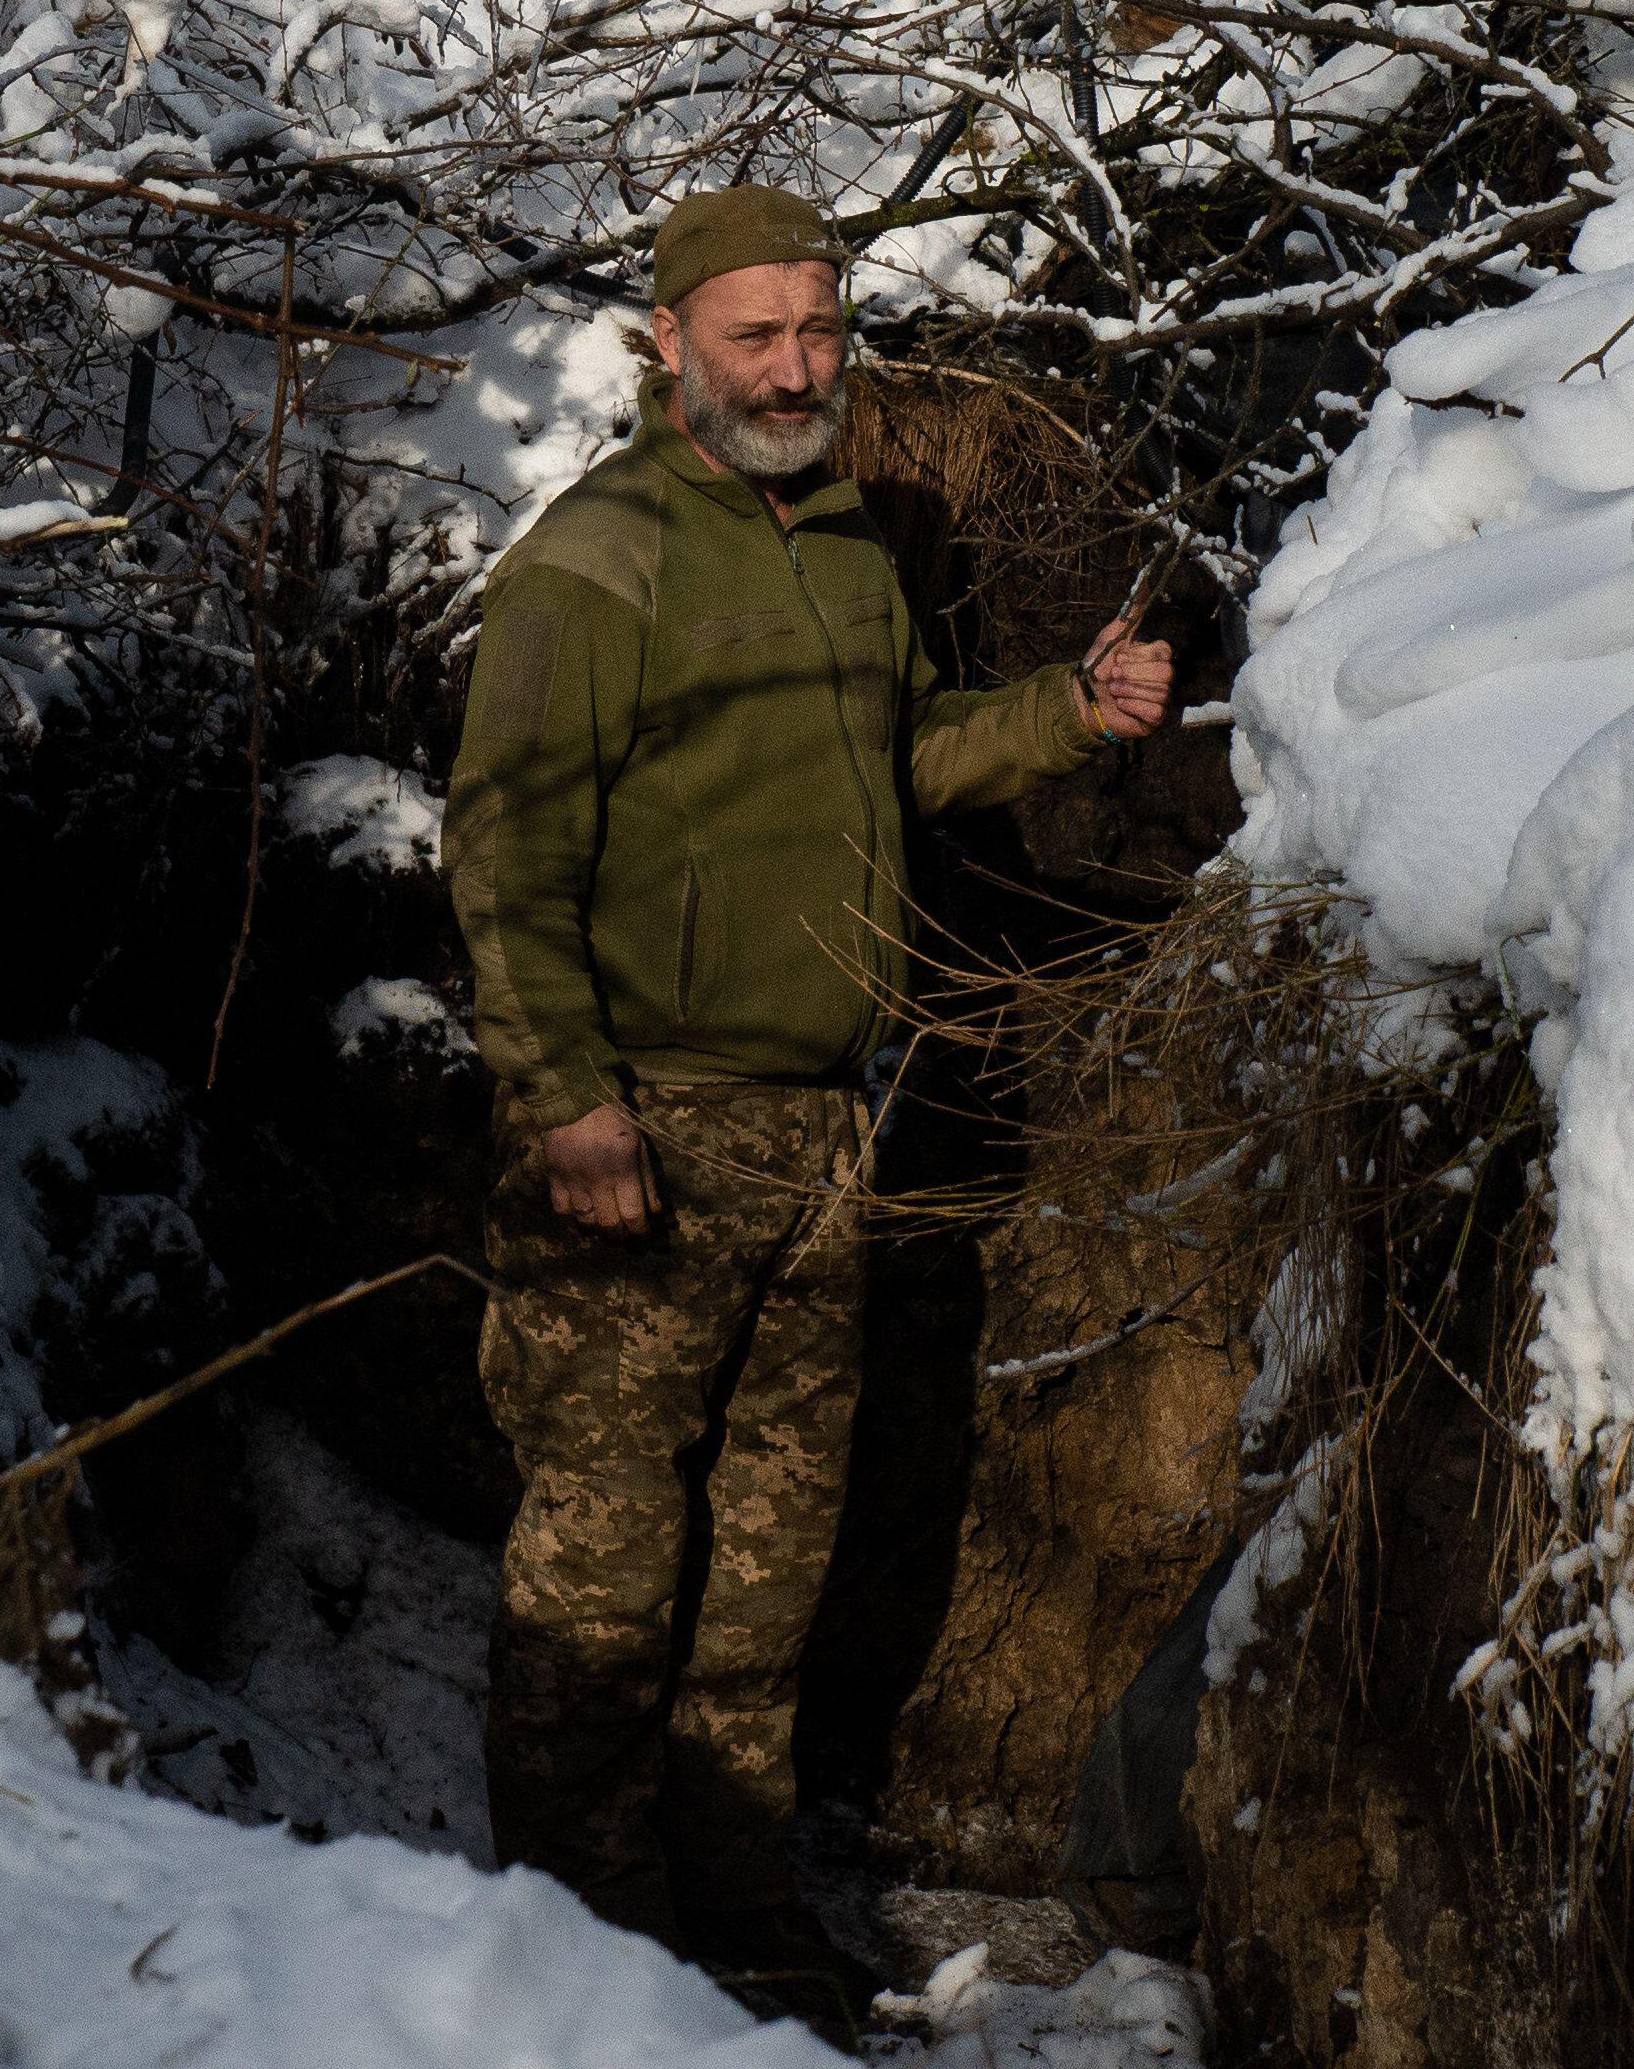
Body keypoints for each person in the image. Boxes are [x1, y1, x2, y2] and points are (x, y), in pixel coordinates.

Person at [444, 183, 1176, 2032]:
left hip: (824, 1132)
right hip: (639, 1136)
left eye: (822, 330)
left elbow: (898, 753)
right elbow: (506, 853)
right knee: (602, 1567)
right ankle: (573, 1957)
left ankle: (740, 1919)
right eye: (755, 335)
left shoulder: (842, 543)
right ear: (670, 342)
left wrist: (1064, 715)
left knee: (769, 1570)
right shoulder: (595, 564)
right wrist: (570, 1112)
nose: (797, 368)